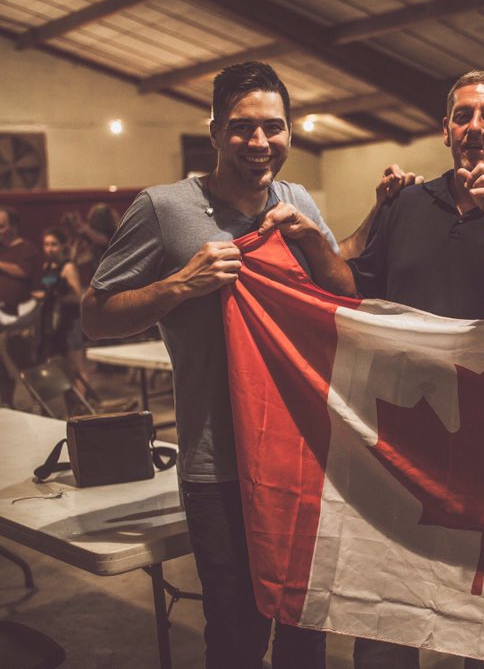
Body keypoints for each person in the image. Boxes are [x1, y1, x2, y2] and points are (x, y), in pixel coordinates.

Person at [81, 61, 347, 669]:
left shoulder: (297, 200)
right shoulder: (163, 208)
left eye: (273, 127)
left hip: (302, 453)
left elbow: (342, 288)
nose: (260, 142)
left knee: (307, 631)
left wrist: (312, 237)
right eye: (242, 127)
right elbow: (95, 316)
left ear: (290, 132)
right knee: (236, 637)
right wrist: (179, 285)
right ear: (215, 132)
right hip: (217, 464)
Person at [339, 70, 484, 669]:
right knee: (387, 616)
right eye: (463, 115)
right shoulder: (406, 204)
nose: (476, 127)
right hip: (404, 442)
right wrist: (310, 237)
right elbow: (348, 288)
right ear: (445, 130)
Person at [0, 207, 41, 405]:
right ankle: (6, 403)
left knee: (23, 362)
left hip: (19, 319)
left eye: (2, 226)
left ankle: (39, 403)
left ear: (14, 226)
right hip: (3, 318)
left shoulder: (26, 248)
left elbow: (24, 271)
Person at [33, 227, 85, 371]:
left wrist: (52, 298)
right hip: (52, 322)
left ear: (62, 246)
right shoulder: (47, 266)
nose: (49, 249)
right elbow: (48, 289)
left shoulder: (68, 267)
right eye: (46, 245)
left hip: (69, 322)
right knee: (58, 366)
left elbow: (77, 297)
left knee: (76, 367)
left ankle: (82, 387)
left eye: (54, 244)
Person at [63, 202, 120, 285]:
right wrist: (71, 225)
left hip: (110, 274)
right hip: (97, 273)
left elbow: (104, 240)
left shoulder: (114, 233)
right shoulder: (90, 233)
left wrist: (83, 225)